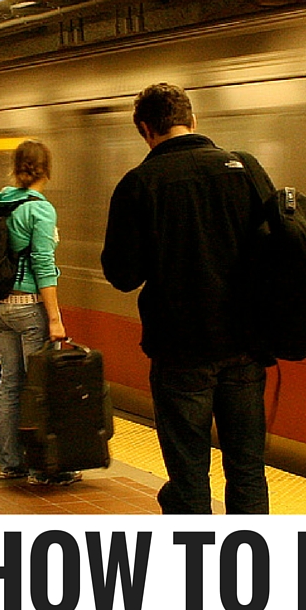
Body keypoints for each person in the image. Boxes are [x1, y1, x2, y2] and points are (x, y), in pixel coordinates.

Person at [101, 82, 270, 514]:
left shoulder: (139, 184)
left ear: (145, 129)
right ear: (192, 120)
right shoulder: (245, 169)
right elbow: (277, 247)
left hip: (180, 351)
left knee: (190, 475)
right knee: (247, 470)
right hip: (246, 347)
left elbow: (122, 275)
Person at [0, 139, 80, 486]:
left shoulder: (0, 202)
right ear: (46, 170)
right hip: (28, 308)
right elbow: (43, 263)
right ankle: (44, 466)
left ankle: (10, 463)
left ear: (16, 167)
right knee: (41, 387)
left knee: (10, 383)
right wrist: (55, 317)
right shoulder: (39, 208)